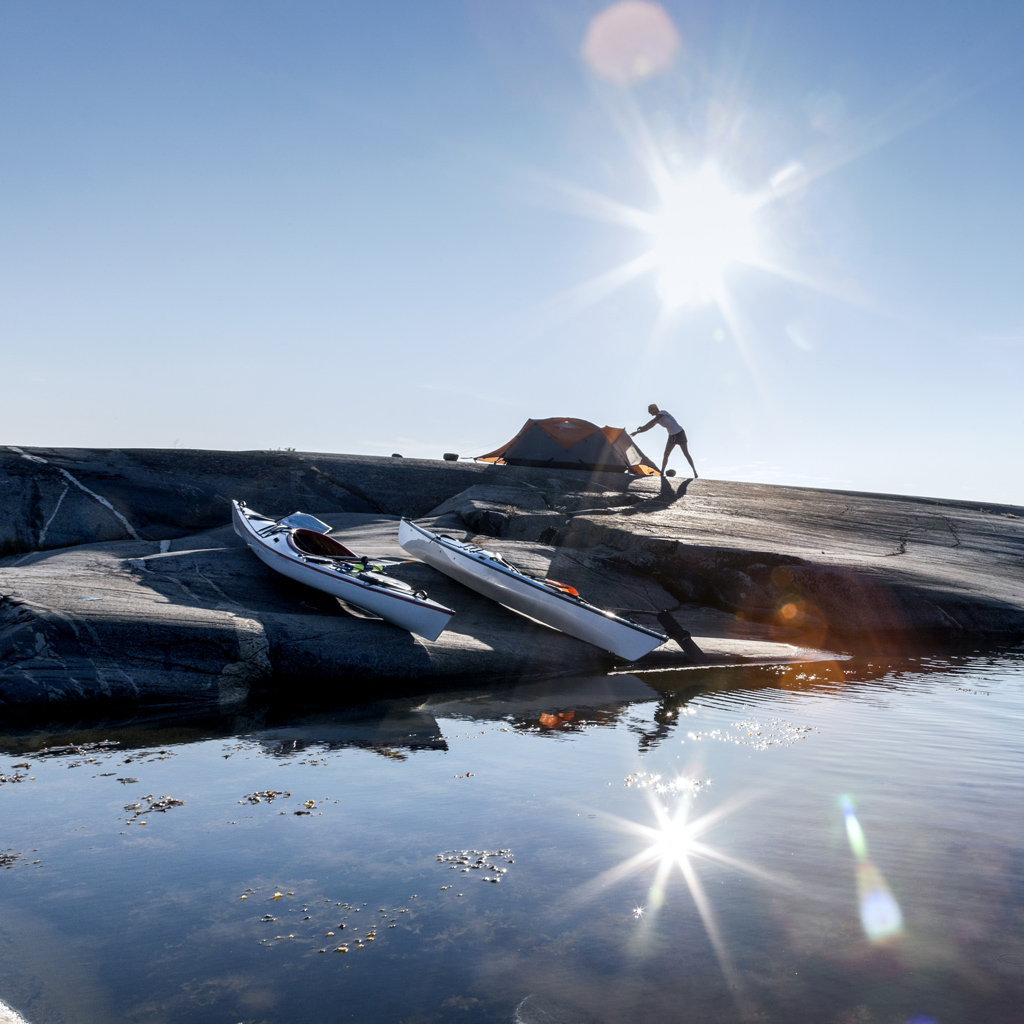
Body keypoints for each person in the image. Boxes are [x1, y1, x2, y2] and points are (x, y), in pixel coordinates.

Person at [631, 404, 698, 478]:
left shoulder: (662, 413)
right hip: (672, 436)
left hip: (680, 433)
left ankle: (694, 471)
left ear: (655, 409)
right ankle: (662, 472)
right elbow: (648, 427)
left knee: (686, 453)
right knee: (666, 454)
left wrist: (643, 427)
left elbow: (652, 421)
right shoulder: (657, 420)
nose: (650, 413)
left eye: (650, 411)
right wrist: (637, 432)